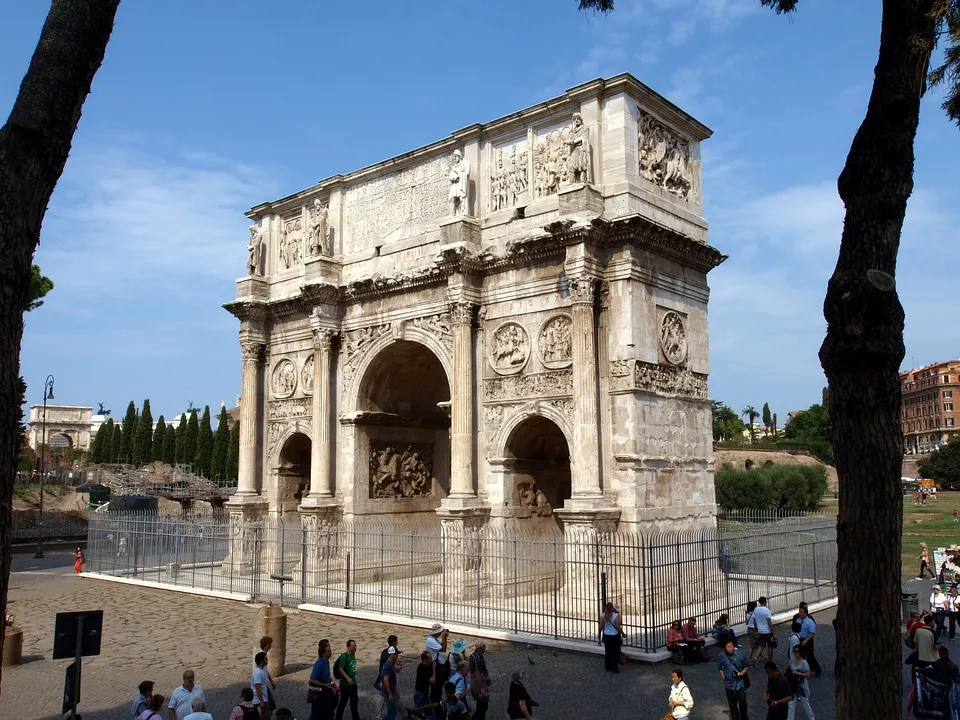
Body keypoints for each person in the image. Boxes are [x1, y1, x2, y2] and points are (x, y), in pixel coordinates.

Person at [717, 640, 749, 720]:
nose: (730, 648)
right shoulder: (722, 656)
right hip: (729, 684)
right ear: (725, 648)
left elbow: (746, 666)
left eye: (731, 646)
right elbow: (720, 668)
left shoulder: (740, 654)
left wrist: (742, 673)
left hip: (740, 683)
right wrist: (723, 676)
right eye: (728, 647)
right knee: (732, 704)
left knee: (743, 703)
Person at [309, 640, 338, 720]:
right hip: (319, 695)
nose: (330, 652)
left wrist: (333, 685)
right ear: (323, 652)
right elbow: (311, 680)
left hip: (326, 692)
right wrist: (324, 685)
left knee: (329, 713)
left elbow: (328, 675)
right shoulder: (319, 664)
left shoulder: (326, 661)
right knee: (317, 715)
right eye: (329, 651)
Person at [787, 644, 815, 720]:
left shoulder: (804, 663)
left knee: (806, 705)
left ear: (801, 652)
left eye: (796, 651)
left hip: (802, 687)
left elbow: (807, 675)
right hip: (793, 686)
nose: (795, 653)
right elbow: (788, 670)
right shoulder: (792, 661)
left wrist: (798, 673)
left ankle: (812, 718)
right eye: (794, 651)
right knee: (791, 705)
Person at [334, 639, 360, 720]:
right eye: (354, 646)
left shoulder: (353, 654)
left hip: (352, 683)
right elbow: (340, 669)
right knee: (343, 703)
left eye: (355, 646)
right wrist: (348, 678)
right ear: (349, 647)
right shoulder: (344, 656)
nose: (356, 647)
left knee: (354, 703)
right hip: (345, 684)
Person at [425, 624, 449, 706]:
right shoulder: (430, 640)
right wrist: (443, 636)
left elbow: (442, 646)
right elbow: (443, 649)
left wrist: (445, 637)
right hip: (435, 667)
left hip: (438, 666)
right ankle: (434, 704)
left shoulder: (435, 639)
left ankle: (437, 703)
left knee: (438, 687)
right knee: (436, 687)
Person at [796, 605, 822, 677]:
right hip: (800, 639)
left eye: (801, 612)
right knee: (801, 655)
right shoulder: (798, 620)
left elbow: (812, 633)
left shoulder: (809, 622)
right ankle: (803, 670)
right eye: (799, 611)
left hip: (807, 640)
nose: (800, 613)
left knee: (810, 656)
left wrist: (806, 641)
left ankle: (817, 669)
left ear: (805, 613)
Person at [599, 601, 623, 672]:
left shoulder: (603, 615)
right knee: (615, 651)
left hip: (606, 635)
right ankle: (615, 668)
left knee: (608, 651)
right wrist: (622, 632)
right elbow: (618, 626)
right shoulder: (616, 615)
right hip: (614, 635)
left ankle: (608, 666)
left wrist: (599, 633)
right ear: (612, 608)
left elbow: (601, 626)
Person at [413, 650, 437, 720]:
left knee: (430, 713)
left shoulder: (423, 666)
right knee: (419, 712)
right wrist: (433, 668)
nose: (432, 660)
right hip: (421, 694)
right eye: (430, 658)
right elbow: (433, 681)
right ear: (425, 659)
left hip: (423, 693)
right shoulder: (423, 668)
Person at [469, 641, 490, 720]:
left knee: (481, 705)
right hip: (478, 683)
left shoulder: (475, 655)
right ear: (481, 648)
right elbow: (477, 673)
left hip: (478, 681)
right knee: (483, 705)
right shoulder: (477, 658)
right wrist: (481, 688)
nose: (485, 648)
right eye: (484, 647)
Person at [750, 596, 774, 665]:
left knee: (761, 645)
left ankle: (755, 657)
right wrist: (773, 632)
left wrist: (756, 630)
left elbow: (754, 620)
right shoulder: (767, 610)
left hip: (760, 631)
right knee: (770, 647)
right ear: (764, 602)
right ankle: (770, 663)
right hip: (768, 631)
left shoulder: (756, 609)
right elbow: (769, 623)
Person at [380, 646, 401, 720]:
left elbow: (390, 671)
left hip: (389, 691)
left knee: (391, 711)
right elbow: (386, 680)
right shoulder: (388, 665)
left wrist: (397, 668)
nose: (397, 656)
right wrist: (390, 694)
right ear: (393, 654)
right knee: (392, 713)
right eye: (396, 654)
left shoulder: (390, 664)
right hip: (387, 692)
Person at [252, 651, 272, 720]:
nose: (267, 660)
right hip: (259, 701)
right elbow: (258, 688)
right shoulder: (258, 673)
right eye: (266, 659)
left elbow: (267, 673)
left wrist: (272, 683)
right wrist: (262, 702)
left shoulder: (263, 668)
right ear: (261, 661)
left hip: (264, 698)